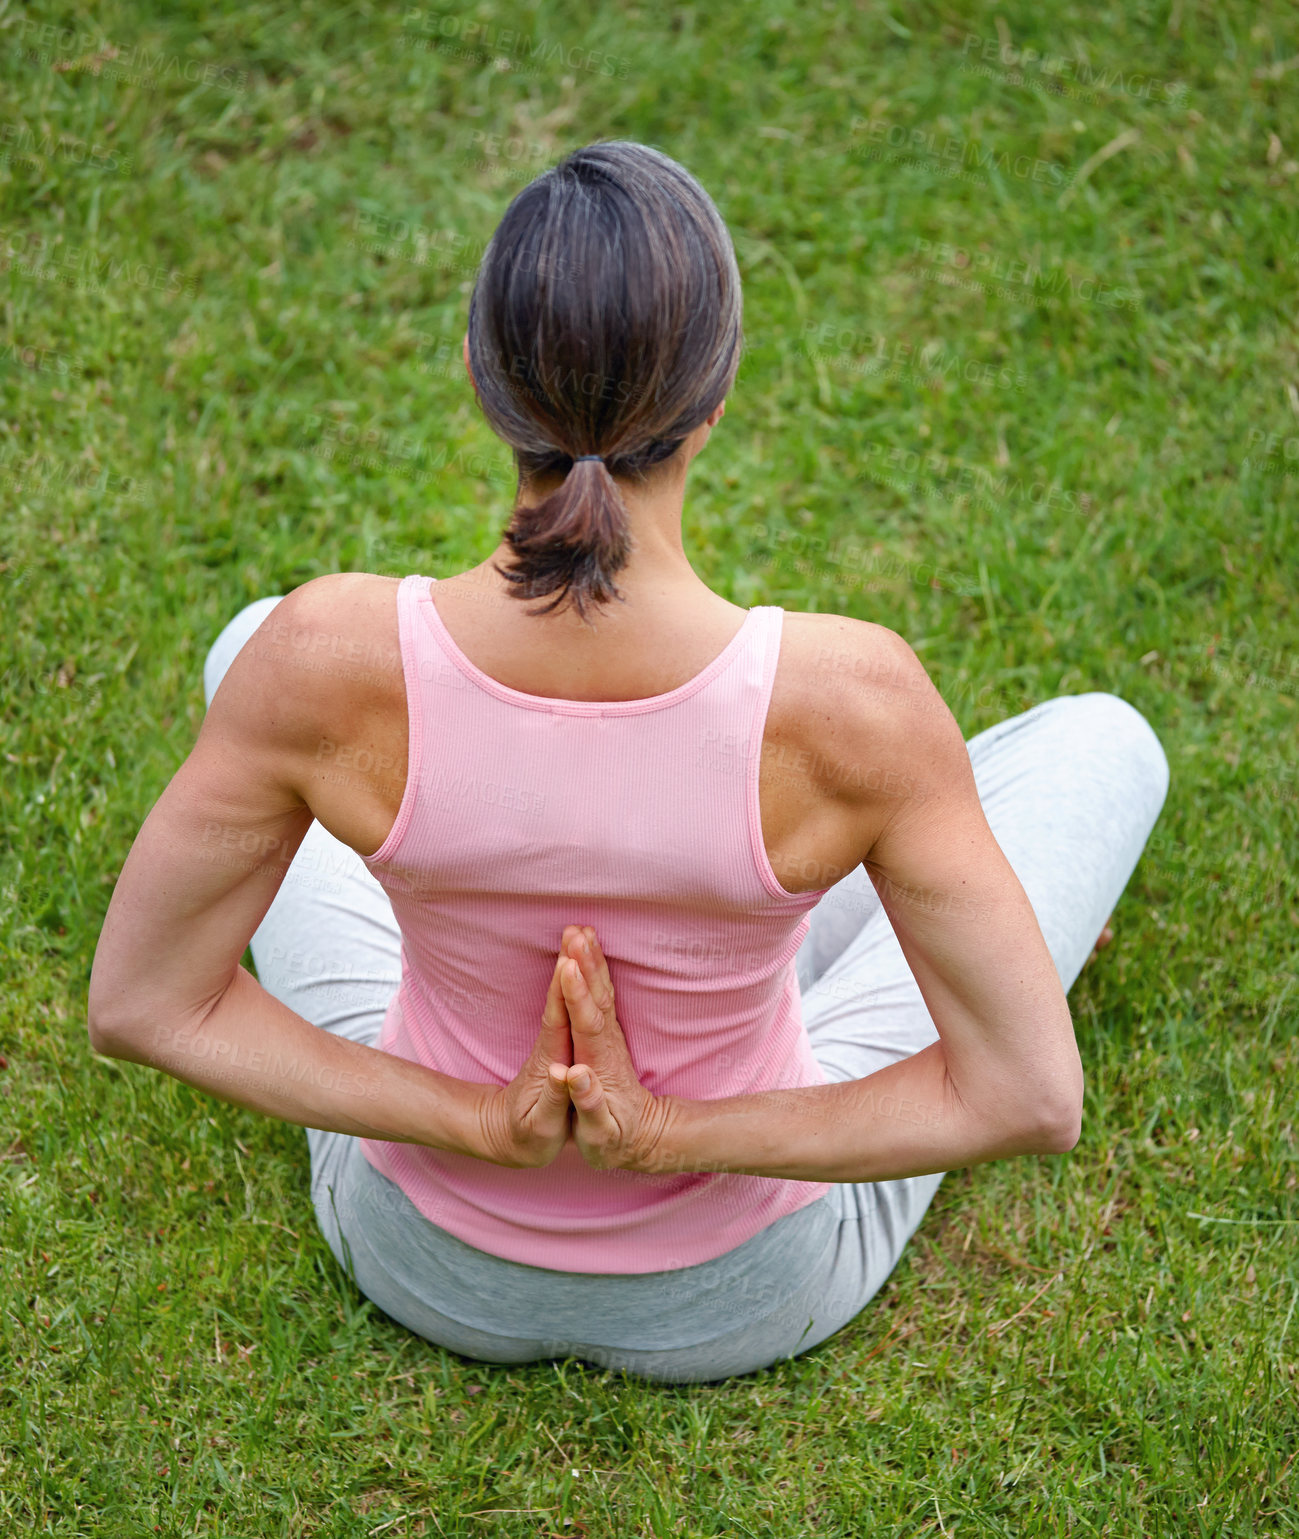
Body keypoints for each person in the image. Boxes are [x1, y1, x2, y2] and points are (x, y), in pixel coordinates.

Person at [87, 140, 1170, 1384]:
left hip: (421, 1254)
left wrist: (475, 1120)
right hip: (740, 1293)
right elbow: (1027, 1097)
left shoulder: (324, 659)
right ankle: (853, 894)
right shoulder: (854, 705)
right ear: (715, 399)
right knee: (1100, 742)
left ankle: (816, 890)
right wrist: (665, 1133)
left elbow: (142, 1002)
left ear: (479, 378)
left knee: (249, 647)